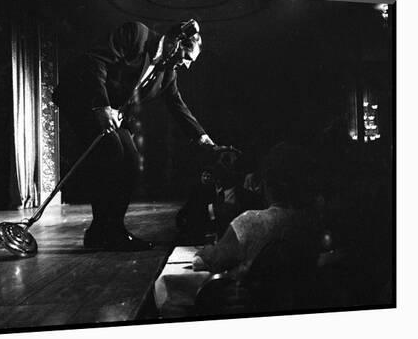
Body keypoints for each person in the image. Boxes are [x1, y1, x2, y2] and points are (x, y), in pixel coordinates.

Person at [53, 20, 217, 251]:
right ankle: (102, 231)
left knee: (130, 159)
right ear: (175, 41)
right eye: (186, 56)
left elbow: (177, 105)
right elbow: (95, 61)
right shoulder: (136, 34)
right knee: (111, 150)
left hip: (110, 111)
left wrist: (202, 137)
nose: (186, 65)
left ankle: (109, 230)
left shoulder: (167, 73)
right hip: (83, 98)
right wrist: (101, 107)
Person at [193, 142, 320, 275]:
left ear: (266, 183)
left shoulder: (250, 223)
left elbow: (211, 261)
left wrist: (207, 251)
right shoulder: (315, 223)